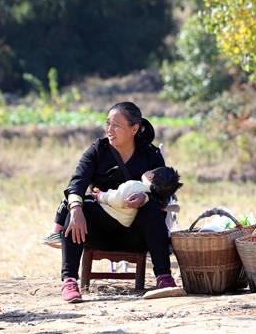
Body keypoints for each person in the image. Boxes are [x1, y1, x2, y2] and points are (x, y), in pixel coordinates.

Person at [59, 102, 178, 303]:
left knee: (152, 209)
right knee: (77, 211)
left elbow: (164, 193)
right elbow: (77, 183)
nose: (109, 130)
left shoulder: (150, 155)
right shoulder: (98, 151)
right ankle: (69, 280)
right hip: (99, 232)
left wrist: (146, 197)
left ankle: (163, 277)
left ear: (134, 129)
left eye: (116, 125)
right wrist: (76, 207)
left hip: (137, 234)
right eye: (108, 124)